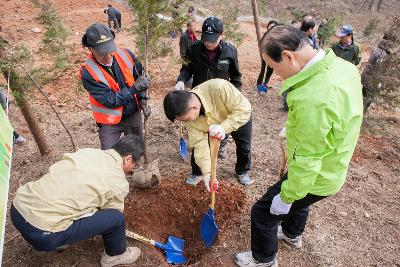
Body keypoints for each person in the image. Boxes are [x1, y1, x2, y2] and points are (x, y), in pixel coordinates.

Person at [235, 25, 363, 267]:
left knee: (264, 212)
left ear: (287, 56)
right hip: (334, 163)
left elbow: (308, 161)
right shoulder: (342, 68)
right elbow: (335, 118)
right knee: (300, 201)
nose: (276, 74)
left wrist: (286, 196)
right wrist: (296, 129)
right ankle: (292, 234)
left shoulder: (315, 98)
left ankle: (263, 259)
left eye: (274, 68)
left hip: (318, 174)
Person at [11, 135, 144, 267]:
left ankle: (63, 232)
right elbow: (111, 215)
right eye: (135, 164)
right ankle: (115, 256)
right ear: (128, 159)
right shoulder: (119, 182)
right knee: (116, 219)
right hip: (42, 235)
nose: (133, 168)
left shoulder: (88, 152)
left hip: (17, 208)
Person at [164, 79, 254, 187]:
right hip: (213, 126)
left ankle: (242, 171)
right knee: (200, 150)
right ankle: (199, 173)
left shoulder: (219, 88)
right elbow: (199, 144)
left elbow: (244, 110)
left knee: (244, 147)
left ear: (194, 107)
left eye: (186, 119)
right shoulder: (188, 119)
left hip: (239, 118)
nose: (186, 123)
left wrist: (223, 127)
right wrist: (207, 173)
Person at [175, 16, 242, 159]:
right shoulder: (194, 50)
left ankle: (222, 145)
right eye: (206, 38)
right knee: (200, 124)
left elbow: (236, 77)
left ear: (221, 35)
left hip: (221, 97)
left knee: (222, 122)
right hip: (199, 97)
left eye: (213, 39)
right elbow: (186, 69)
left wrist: (235, 97)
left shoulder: (230, 51)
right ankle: (201, 151)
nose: (208, 43)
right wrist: (181, 81)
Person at [80, 23, 150, 151]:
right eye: (102, 53)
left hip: (133, 113)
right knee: (109, 155)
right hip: (109, 121)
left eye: (110, 51)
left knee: (136, 148)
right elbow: (111, 100)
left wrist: (142, 99)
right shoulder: (88, 72)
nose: (108, 57)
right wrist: (135, 88)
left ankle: (134, 169)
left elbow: (139, 77)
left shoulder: (126, 54)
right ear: (90, 49)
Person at [361, 26, 397, 111]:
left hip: (367, 76)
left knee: (364, 95)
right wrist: (379, 82)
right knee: (368, 98)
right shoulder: (382, 53)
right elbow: (378, 70)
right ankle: (362, 112)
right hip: (372, 79)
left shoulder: (378, 48)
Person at [256, 20, 278, 93]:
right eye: (270, 26)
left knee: (270, 71)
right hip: (266, 55)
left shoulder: (277, 36)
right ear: (268, 27)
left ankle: (265, 83)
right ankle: (260, 85)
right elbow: (262, 44)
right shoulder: (266, 35)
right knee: (264, 70)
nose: (271, 28)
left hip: (273, 56)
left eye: (273, 26)